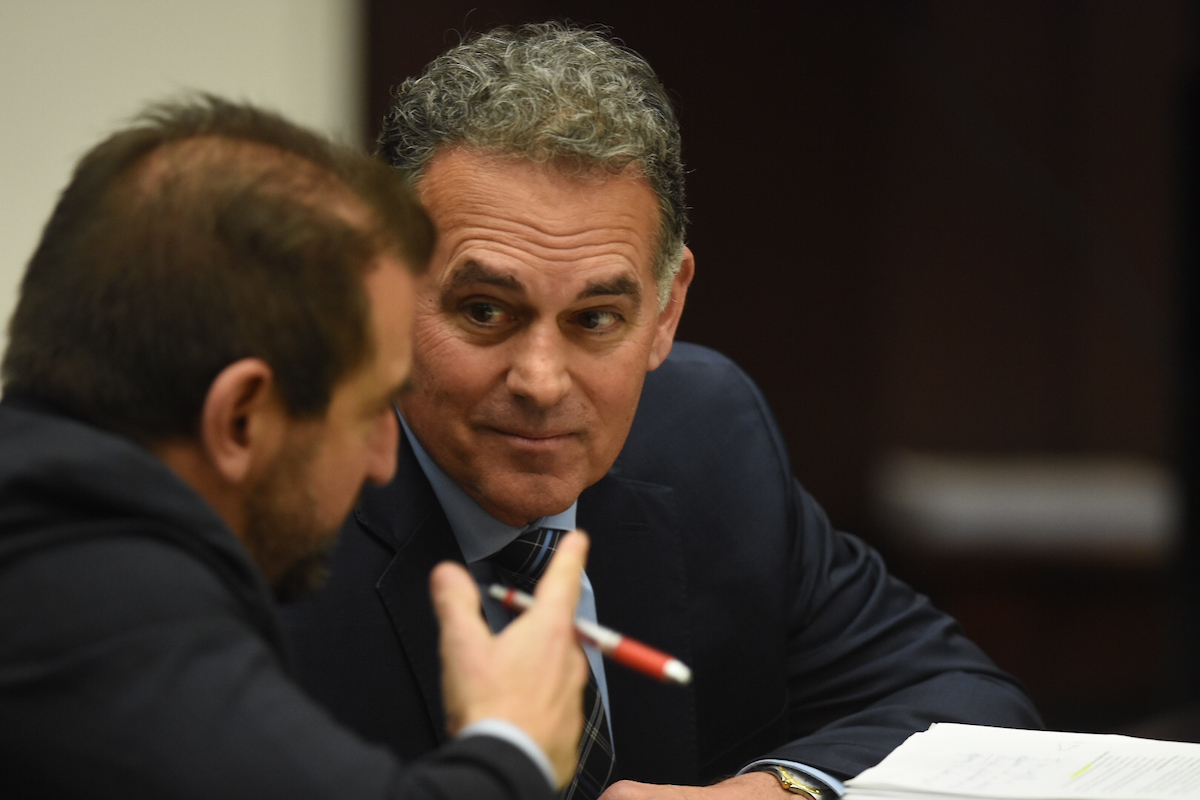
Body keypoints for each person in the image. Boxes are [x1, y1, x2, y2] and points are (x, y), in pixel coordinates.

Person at [281, 21, 1043, 800]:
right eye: (484, 311)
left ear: (667, 309)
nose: (542, 381)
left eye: (596, 319)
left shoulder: (707, 435)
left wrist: (775, 794)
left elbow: (974, 712)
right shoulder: (276, 517)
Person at [0, 94, 591, 799]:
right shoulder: (94, 597)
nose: (383, 456)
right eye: (371, 408)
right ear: (241, 420)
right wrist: (515, 746)